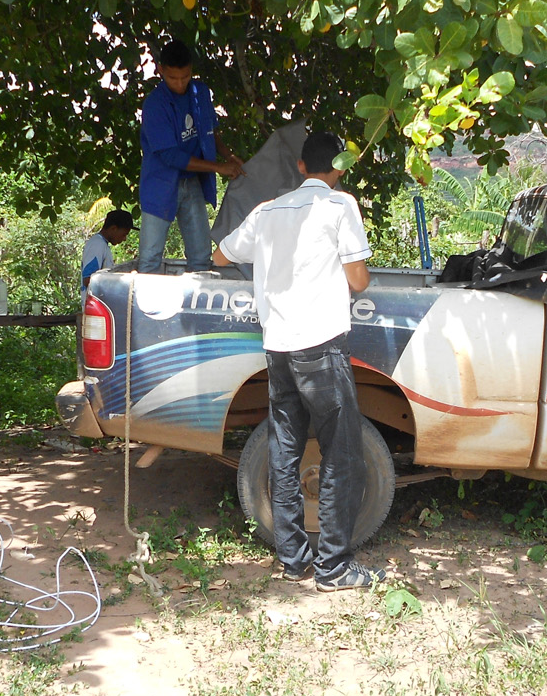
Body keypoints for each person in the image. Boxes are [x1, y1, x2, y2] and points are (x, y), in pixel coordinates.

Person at [212, 131, 386, 592]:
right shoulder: (340, 205)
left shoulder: (267, 211)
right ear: (339, 168)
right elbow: (358, 280)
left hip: (279, 349)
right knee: (341, 454)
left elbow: (219, 254)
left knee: (285, 451)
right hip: (321, 347)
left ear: (302, 167)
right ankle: (333, 567)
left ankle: (293, 560)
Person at [138, 39, 244, 273]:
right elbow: (171, 156)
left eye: (185, 77)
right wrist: (218, 167)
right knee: (149, 257)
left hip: (192, 182)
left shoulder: (200, 92)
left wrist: (228, 155)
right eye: (172, 78)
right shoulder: (154, 104)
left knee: (201, 256)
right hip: (160, 184)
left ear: (191, 70)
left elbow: (210, 130)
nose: (179, 83)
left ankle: (199, 295)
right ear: (160, 70)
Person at [81, 209, 134, 299]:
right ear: (113, 228)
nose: (124, 239)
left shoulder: (101, 244)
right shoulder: (97, 244)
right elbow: (88, 279)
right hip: (96, 304)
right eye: (124, 234)